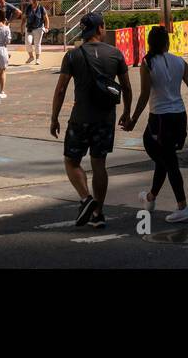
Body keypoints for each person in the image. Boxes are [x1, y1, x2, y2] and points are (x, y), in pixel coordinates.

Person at [124, 24, 188, 222]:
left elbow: (145, 94)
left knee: (165, 158)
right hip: (179, 116)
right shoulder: (180, 62)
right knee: (165, 158)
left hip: (160, 117)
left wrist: (133, 119)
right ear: (167, 42)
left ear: (150, 43)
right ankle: (150, 198)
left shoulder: (147, 63)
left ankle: (182, 206)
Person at [51, 12, 132, 229]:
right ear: (99, 29)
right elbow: (126, 86)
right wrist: (127, 112)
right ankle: (98, 213)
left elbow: (60, 90)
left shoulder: (72, 56)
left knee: (71, 160)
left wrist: (54, 118)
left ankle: (86, 198)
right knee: (99, 164)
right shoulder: (115, 54)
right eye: (104, 26)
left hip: (80, 119)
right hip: (105, 119)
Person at [24, 0, 49, 65]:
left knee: (37, 44)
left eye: (36, 0)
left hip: (39, 28)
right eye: (33, 0)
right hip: (29, 28)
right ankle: (31, 57)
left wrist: (47, 27)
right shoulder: (28, 8)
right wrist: (21, 26)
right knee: (28, 42)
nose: (34, 1)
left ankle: (37, 59)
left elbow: (46, 18)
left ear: (38, 1)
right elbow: (24, 17)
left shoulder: (41, 8)